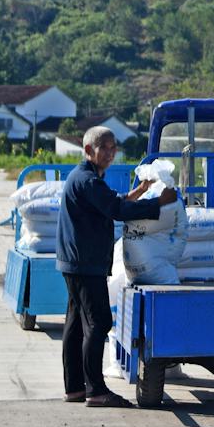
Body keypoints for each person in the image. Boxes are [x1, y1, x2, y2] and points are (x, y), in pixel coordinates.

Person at [58, 125, 177, 408]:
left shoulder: (88, 179)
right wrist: (158, 204)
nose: (111, 153)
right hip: (85, 264)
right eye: (105, 148)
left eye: (114, 148)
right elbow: (117, 210)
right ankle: (96, 390)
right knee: (99, 323)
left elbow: (112, 201)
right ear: (88, 150)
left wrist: (140, 191)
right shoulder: (87, 180)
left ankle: (75, 388)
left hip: (78, 262)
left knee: (76, 325)